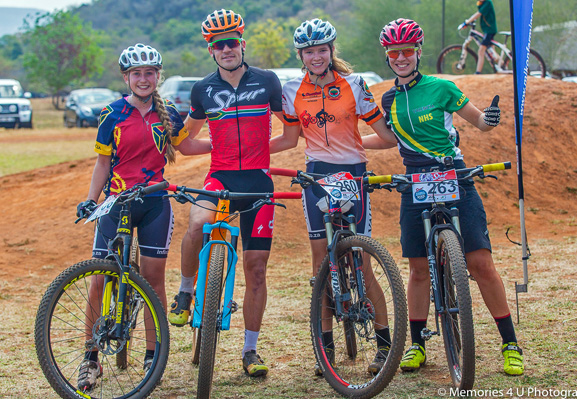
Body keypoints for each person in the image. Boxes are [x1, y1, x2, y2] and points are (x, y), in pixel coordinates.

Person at [363, 18, 523, 376]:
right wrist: (353, 145)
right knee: (419, 269)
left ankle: (509, 342)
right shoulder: (387, 98)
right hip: (415, 181)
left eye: (407, 51)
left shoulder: (442, 87)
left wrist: (490, 120)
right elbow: (388, 140)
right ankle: (418, 344)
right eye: (394, 52)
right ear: (387, 56)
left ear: (418, 52)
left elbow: (478, 122)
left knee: (480, 262)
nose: (401, 57)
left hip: (454, 175)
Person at [270, 18, 399, 376]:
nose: (316, 56)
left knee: (362, 260)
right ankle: (324, 352)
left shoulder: (355, 85)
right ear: (301, 54)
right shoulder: (292, 88)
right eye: (309, 51)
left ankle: (385, 345)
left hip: (353, 174)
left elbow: (385, 136)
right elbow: (288, 139)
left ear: (331, 51)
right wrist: (247, 157)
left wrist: (365, 143)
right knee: (320, 267)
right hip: (317, 177)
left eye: (322, 49)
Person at [75, 43, 205, 392]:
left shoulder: (169, 115)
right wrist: (90, 200)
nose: (144, 79)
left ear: (158, 76)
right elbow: (103, 162)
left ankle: (153, 354)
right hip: (116, 202)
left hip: (154, 202)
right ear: (126, 77)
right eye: (137, 74)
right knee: (98, 278)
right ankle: (89, 358)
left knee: (152, 280)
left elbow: (187, 145)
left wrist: (223, 145)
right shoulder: (111, 113)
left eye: (150, 73)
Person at [167, 9, 284, 378]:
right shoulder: (203, 89)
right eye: (220, 45)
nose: (227, 48)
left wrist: (262, 151)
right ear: (211, 51)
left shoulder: (267, 81)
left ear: (242, 45)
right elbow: (185, 142)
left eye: (232, 42)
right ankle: (186, 292)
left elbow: (293, 134)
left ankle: (250, 350)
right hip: (220, 177)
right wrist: (172, 131)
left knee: (256, 269)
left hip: (258, 183)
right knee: (197, 222)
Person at [459, 0, 498, 74]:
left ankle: (478, 72)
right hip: (488, 29)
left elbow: (478, 13)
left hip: (489, 30)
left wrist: (466, 22)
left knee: (481, 51)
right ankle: (502, 65)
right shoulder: (482, 3)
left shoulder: (488, 2)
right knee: (493, 53)